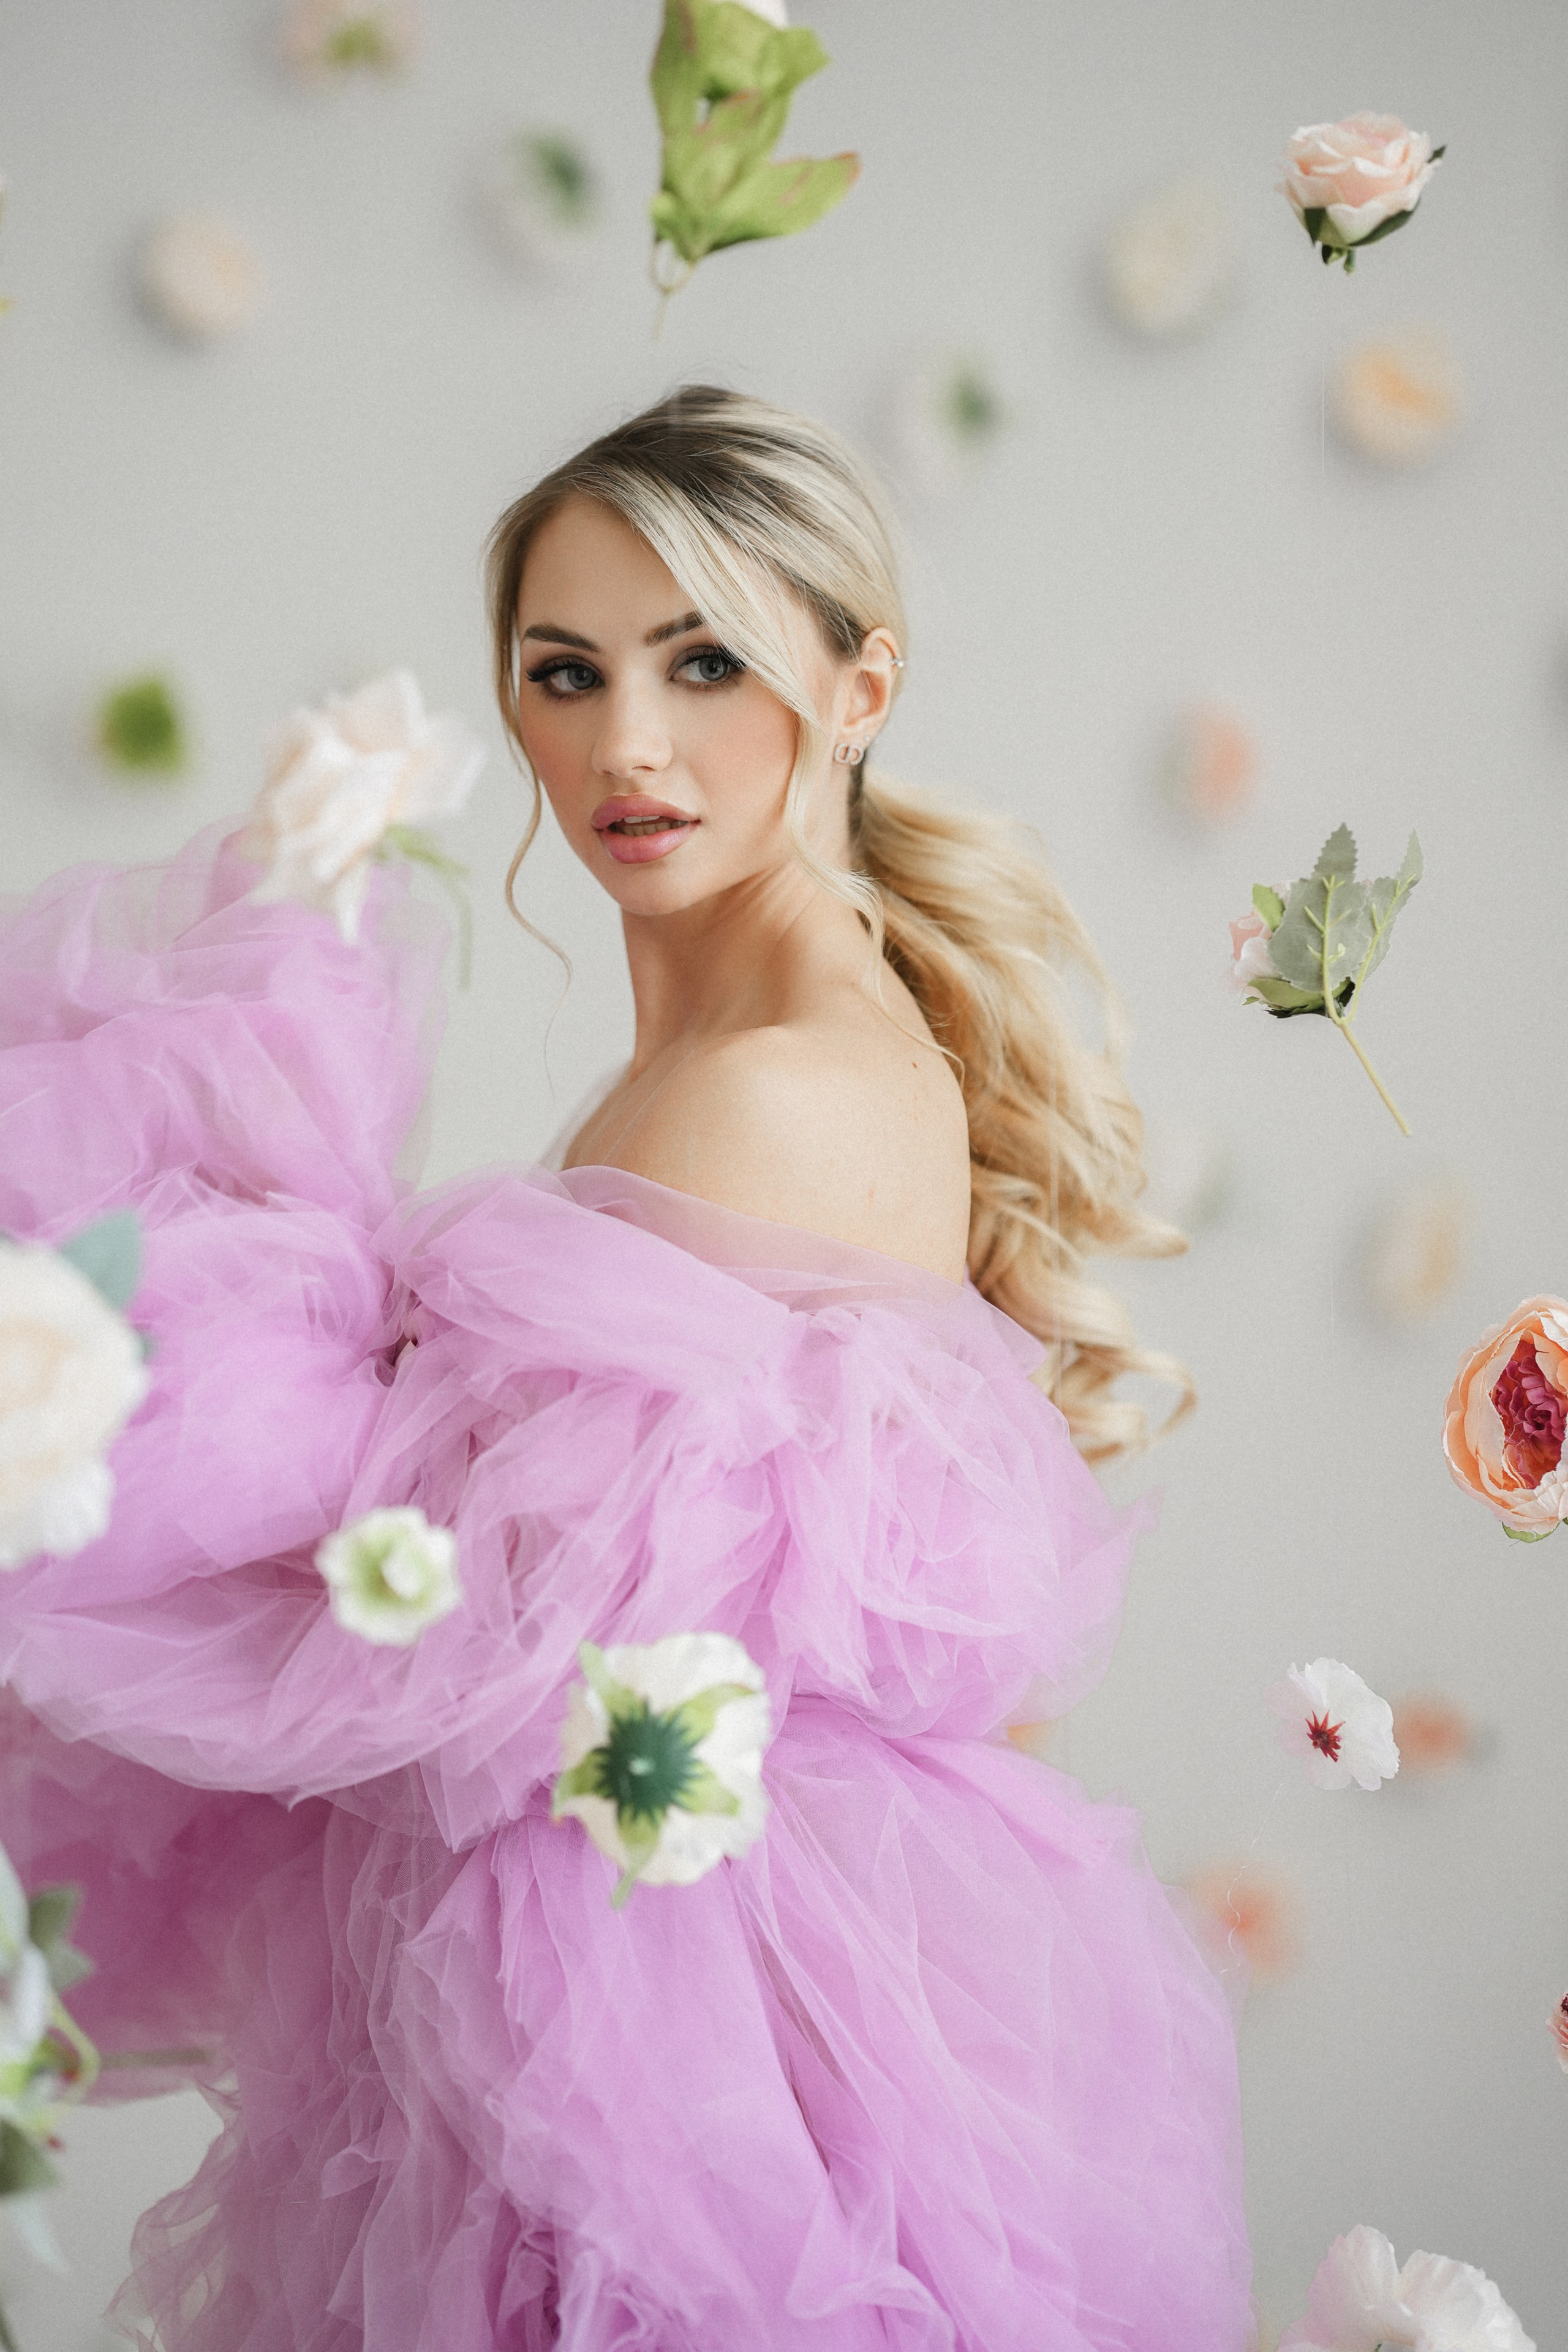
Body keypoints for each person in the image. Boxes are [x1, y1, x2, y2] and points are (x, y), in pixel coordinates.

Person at [0, 386, 1250, 2348]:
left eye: (705, 664)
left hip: (689, 2031)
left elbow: (455, 1614)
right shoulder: (708, 1060)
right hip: (626, 1965)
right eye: (565, 674)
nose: (628, 748)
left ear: (857, 688)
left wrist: (217, 1245)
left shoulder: (762, 1092)